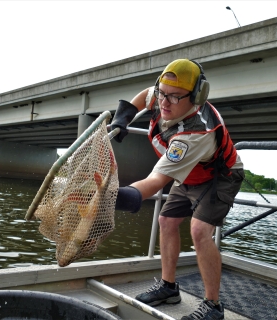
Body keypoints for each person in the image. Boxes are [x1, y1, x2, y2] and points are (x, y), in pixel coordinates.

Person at [111, 59, 244, 320]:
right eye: (162, 93)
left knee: (199, 231)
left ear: (196, 97)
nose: (164, 103)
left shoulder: (195, 134)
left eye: (174, 97)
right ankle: (169, 288)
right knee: (166, 220)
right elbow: (145, 95)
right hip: (190, 174)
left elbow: (154, 181)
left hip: (219, 176)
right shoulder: (166, 92)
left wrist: (110, 197)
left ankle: (214, 306)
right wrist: (123, 118)